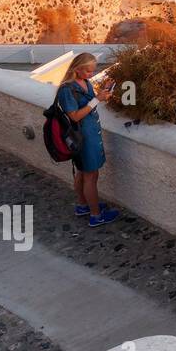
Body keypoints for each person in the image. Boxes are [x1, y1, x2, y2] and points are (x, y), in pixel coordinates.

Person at [56, 53, 119, 227]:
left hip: (89, 134)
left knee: (83, 172)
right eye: (88, 71)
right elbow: (75, 116)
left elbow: (89, 102)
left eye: (93, 70)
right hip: (83, 137)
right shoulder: (67, 90)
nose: (91, 74)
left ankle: (83, 205)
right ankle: (96, 215)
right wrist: (97, 100)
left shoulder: (84, 83)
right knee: (91, 176)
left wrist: (101, 93)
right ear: (77, 69)